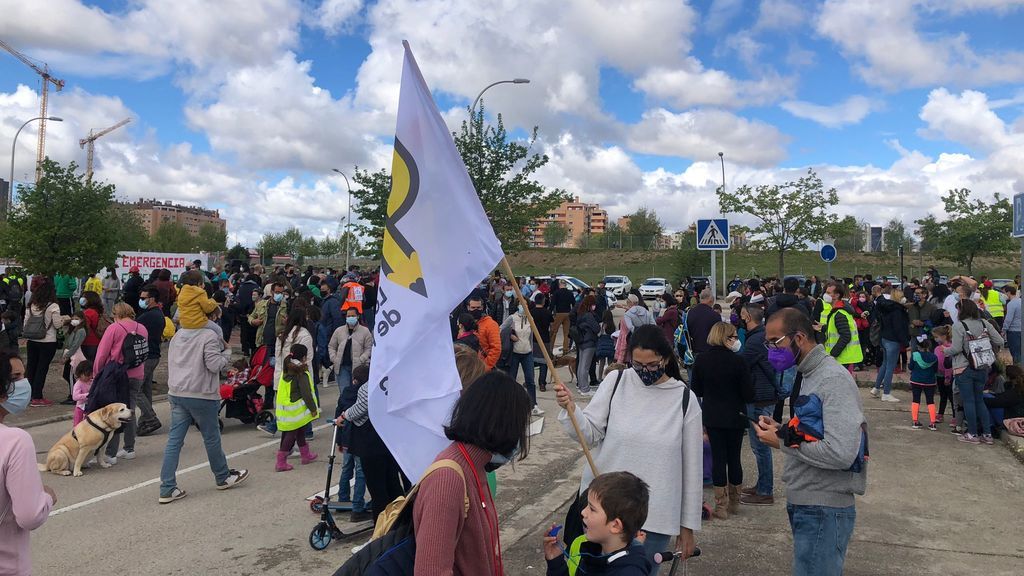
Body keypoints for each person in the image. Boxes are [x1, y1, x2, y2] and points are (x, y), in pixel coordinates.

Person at [555, 325, 701, 572]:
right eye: (638, 364)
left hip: (653, 519)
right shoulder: (616, 381)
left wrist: (687, 527)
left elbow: (692, 470)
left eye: (652, 365)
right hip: (603, 510)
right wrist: (570, 408)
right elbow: (589, 434)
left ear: (665, 358)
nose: (645, 372)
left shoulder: (685, 399)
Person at [754, 308, 867, 576]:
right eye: (767, 343)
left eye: (775, 342)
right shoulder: (808, 374)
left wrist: (781, 442)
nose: (770, 350)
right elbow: (812, 432)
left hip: (824, 507)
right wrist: (782, 431)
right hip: (808, 502)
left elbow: (841, 453)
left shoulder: (833, 380)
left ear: (800, 337)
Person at [413, 370, 532, 575]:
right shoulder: (448, 479)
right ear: (504, 424)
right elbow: (431, 570)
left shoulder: (476, 467)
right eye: (521, 424)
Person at [159, 306, 248, 504]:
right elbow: (214, 365)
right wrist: (227, 352)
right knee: (211, 437)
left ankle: (167, 486)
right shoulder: (209, 336)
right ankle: (222, 476)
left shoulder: (179, 334)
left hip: (177, 391)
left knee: (174, 441)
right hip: (200, 392)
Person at [0, 350, 56, 576]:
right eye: (15, 378)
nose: (23, 384)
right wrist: (47, 497)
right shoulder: (15, 441)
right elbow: (29, 515)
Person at [690, 322, 754, 519]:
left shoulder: (701, 360)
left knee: (718, 459)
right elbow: (748, 393)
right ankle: (735, 501)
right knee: (734, 458)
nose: (736, 341)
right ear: (726, 338)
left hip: (713, 415)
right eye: (734, 337)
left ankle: (721, 505)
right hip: (735, 414)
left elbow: (697, 390)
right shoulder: (738, 361)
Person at [542, 471, 652, 576]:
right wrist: (556, 562)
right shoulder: (594, 551)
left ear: (615, 525)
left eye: (592, 509)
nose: (583, 512)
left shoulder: (628, 572)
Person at [94, 302, 149, 464]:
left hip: (117, 375)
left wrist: (97, 374)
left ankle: (110, 454)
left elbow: (101, 354)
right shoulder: (142, 328)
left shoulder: (114, 328)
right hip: (137, 373)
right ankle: (129, 448)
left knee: (115, 413)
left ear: (115, 314)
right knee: (130, 410)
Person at [948, 299, 1004, 444]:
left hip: (964, 367)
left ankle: (972, 433)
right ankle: (987, 434)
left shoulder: (959, 326)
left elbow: (956, 349)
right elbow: (1000, 341)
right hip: (983, 367)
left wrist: (945, 350)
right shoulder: (985, 323)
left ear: (962, 311)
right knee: (979, 400)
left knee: (968, 401)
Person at [738, 305, 777, 506]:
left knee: (760, 446)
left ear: (747, 317)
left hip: (758, 397)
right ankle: (762, 485)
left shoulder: (754, 341)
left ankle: (765, 491)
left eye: (742, 314)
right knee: (760, 446)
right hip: (765, 395)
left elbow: (740, 365)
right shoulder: (763, 336)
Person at [274, 344, 319, 472]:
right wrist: (313, 408)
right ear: (304, 357)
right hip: (296, 408)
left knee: (299, 430)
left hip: (286, 407)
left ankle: (305, 455)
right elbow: (306, 392)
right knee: (292, 433)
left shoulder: (287, 368)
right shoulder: (301, 372)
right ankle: (281, 461)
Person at [25, 279, 64, 407]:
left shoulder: (32, 305)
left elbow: (26, 322)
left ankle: (28, 395)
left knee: (31, 367)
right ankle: (37, 396)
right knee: (42, 368)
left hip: (32, 340)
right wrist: (65, 320)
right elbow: (57, 325)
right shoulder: (53, 306)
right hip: (47, 341)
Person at [328, 308, 373, 416]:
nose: (350, 318)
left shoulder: (365, 331)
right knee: (345, 394)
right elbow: (331, 346)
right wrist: (334, 358)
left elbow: (369, 348)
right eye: (348, 316)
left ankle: (354, 415)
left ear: (357, 316)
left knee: (358, 393)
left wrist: (362, 359)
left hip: (358, 370)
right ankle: (344, 416)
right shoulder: (339, 331)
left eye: (352, 316)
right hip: (342, 367)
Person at [135, 286, 167, 436]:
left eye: (143, 298)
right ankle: (145, 421)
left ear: (152, 299)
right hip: (153, 355)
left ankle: (150, 417)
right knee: (145, 389)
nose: (141, 300)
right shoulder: (156, 314)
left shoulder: (149, 316)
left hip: (147, 356)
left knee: (135, 389)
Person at [502, 299, 543, 414]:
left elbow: (532, 336)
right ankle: (510, 405)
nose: (524, 306)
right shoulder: (512, 318)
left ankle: (533, 405)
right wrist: (510, 335)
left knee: (530, 380)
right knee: (512, 380)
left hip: (527, 352)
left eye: (525, 304)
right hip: (514, 353)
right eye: (521, 304)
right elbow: (500, 330)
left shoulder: (530, 319)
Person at [871, 289, 909, 402]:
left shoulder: (887, 308)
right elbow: (898, 328)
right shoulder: (897, 311)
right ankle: (886, 393)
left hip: (885, 338)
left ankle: (876, 388)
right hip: (893, 340)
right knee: (890, 367)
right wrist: (905, 342)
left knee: (885, 364)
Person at [822, 284, 864, 373]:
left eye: (828, 293)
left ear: (837, 295)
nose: (825, 295)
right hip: (842, 358)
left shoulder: (839, 313)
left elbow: (846, 336)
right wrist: (822, 328)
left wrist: (833, 354)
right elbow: (836, 330)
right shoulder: (838, 311)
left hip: (841, 358)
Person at [572, 295, 600, 398]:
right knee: (585, 366)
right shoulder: (589, 315)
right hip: (589, 341)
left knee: (581, 365)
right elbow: (596, 328)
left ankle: (581, 385)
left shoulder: (580, 313)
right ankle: (585, 389)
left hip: (581, 341)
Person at [909, 339, 939, 430]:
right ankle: (933, 422)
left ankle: (915, 421)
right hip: (930, 381)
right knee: (930, 401)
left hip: (916, 380)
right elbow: (935, 370)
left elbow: (911, 367)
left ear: (918, 346)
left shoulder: (915, 355)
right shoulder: (934, 357)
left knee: (915, 400)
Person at [60, 311, 88, 406]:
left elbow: (75, 345)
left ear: (82, 320)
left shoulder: (81, 331)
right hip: (71, 354)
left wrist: (66, 356)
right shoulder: (75, 329)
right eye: (73, 318)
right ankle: (73, 393)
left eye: (77, 319)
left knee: (71, 376)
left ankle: (73, 395)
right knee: (68, 375)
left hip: (75, 356)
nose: (74, 320)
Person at [467, 297, 501, 370]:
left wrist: (485, 367)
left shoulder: (491, 324)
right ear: (468, 307)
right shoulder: (466, 323)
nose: (476, 310)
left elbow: (496, 349)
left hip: (483, 367)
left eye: (478, 307)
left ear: (482, 307)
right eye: (473, 307)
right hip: (469, 367)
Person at [531, 293, 555, 391]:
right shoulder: (548, 312)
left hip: (533, 339)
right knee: (544, 362)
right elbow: (552, 327)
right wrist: (550, 334)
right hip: (545, 339)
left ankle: (530, 380)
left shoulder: (531, 312)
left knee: (531, 362)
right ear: (543, 301)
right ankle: (542, 383)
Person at [932, 325, 954, 424]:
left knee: (951, 396)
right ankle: (940, 413)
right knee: (942, 395)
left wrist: (948, 377)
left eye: (936, 337)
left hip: (948, 376)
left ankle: (955, 416)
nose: (935, 339)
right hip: (939, 375)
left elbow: (948, 365)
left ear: (944, 336)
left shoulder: (950, 347)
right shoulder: (937, 348)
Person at [551, 279, 576, 356]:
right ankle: (565, 349)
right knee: (566, 333)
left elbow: (552, 304)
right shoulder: (570, 293)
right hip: (568, 313)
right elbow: (574, 303)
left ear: (559, 285)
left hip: (559, 313)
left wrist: (549, 313)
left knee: (553, 332)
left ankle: (550, 348)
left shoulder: (556, 293)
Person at [80, 290, 106, 362]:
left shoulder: (88, 312)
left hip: (88, 343)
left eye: (84, 298)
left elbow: (83, 326)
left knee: (88, 366)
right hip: (96, 342)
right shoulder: (98, 311)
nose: (81, 299)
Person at [71, 361, 93, 427]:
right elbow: (75, 396)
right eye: (87, 375)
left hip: (89, 406)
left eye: (90, 375)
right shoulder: (78, 384)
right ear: (80, 374)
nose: (89, 377)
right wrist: (88, 395)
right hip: (80, 408)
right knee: (78, 424)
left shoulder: (92, 382)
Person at [1003, 286, 1021, 365]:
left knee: (1016, 353)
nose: (1004, 295)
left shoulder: (1011, 304)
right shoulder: (1021, 301)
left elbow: (1008, 319)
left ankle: (1018, 371)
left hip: (1013, 332)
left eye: (1005, 293)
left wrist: (1004, 330)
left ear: (1009, 293)